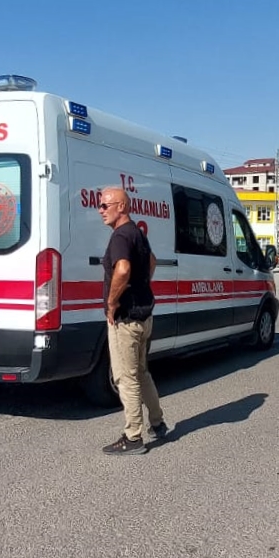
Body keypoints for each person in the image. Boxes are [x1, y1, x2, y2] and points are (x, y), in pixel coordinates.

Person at [98, 186, 166, 455]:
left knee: (126, 378)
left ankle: (133, 436)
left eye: (105, 205)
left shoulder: (120, 236)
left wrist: (112, 302)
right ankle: (158, 422)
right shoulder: (137, 232)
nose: (100, 210)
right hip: (143, 317)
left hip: (126, 320)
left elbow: (123, 269)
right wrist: (141, 287)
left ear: (122, 207)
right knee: (141, 372)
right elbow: (151, 261)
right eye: (100, 205)